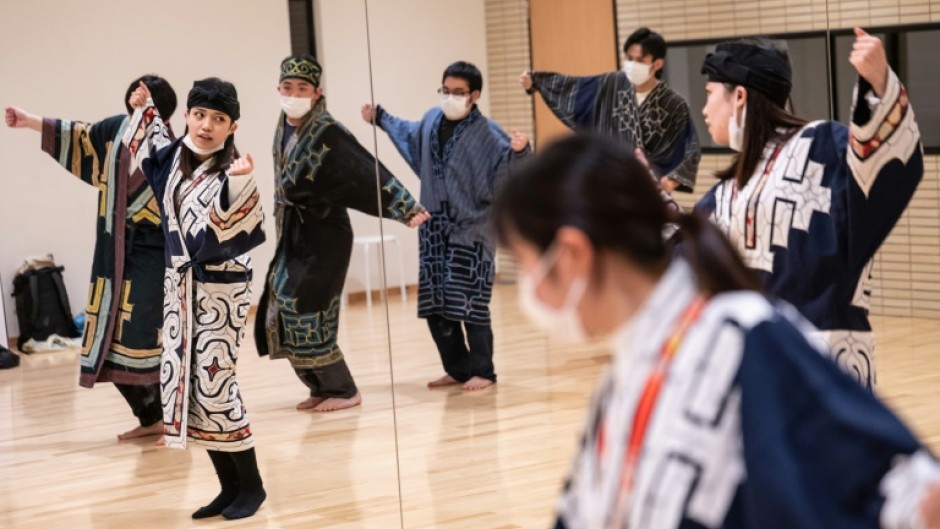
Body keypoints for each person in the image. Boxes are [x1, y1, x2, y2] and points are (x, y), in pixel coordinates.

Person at [492, 133, 940, 529]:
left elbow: (906, 488)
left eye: (529, 266)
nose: (530, 292)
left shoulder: (745, 337)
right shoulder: (624, 373)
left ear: (572, 254)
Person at [695, 29, 923, 389]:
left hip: (827, 362)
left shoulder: (822, 148)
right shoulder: (724, 194)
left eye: (709, 95)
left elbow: (880, 166)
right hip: (755, 368)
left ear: (739, 96)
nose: (704, 109)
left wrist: (879, 83)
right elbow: (678, 259)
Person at [4, 75, 177, 441]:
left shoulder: (172, 151)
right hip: (111, 255)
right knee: (106, 340)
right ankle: (150, 419)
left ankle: (170, 419)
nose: (136, 94)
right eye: (135, 89)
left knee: (142, 339)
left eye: (145, 94)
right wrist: (30, 121)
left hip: (152, 257)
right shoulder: (116, 130)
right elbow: (80, 136)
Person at [124, 78, 266, 519]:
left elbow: (237, 230)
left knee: (216, 383)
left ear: (232, 126)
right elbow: (149, 138)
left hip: (221, 290)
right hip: (180, 290)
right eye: (200, 114)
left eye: (218, 119)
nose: (207, 125)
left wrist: (240, 185)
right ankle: (228, 487)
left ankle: (253, 487)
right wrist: (143, 107)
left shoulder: (233, 169)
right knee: (187, 387)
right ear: (186, 115)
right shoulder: (172, 159)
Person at [255, 55, 429, 413]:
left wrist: (404, 207)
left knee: (307, 307)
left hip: (325, 236)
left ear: (317, 92)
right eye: (288, 87)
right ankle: (318, 386)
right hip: (293, 232)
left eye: (302, 88)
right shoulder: (284, 125)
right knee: (283, 303)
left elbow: (363, 169)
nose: (294, 94)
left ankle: (343, 389)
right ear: (278, 89)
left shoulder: (327, 130)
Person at [363, 60, 530, 391]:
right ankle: (458, 368)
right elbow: (407, 133)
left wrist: (522, 153)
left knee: (469, 304)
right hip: (434, 231)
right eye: (445, 90)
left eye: (458, 92)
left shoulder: (488, 133)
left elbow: (511, 175)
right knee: (436, 307)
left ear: (474, 95)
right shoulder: (430, 121)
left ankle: (483, 370)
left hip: (473, 231)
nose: (450, 97)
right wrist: (380, 118)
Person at [520, 27, 700, 194]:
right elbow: (574, 88)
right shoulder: (611, 85)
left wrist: (670, 181)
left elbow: (690, 146)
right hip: (606, 186)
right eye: (629, 58)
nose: (632, 64)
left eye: (639, 60)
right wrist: (538, 81)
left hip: (648, 192)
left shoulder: (674, 104)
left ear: (657, 64)